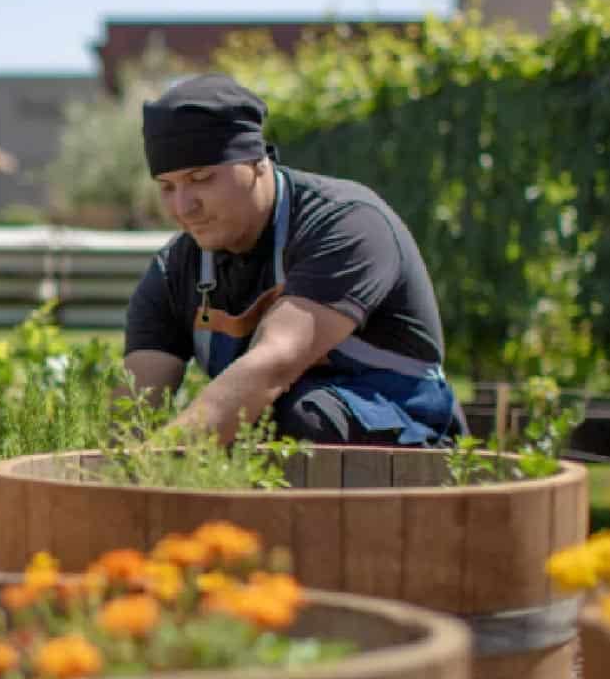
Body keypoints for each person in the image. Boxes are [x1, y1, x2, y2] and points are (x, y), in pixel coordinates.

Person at [121, 73, 463, 446]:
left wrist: (153, 464)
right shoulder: (174, 270)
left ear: (256, 162)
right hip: (276, 450)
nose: (184, 207)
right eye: (167, 188)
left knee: (283, 417)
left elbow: (273, 365)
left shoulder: (346, 224)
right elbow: (136, 405)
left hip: (409, 446)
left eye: (201, 178)